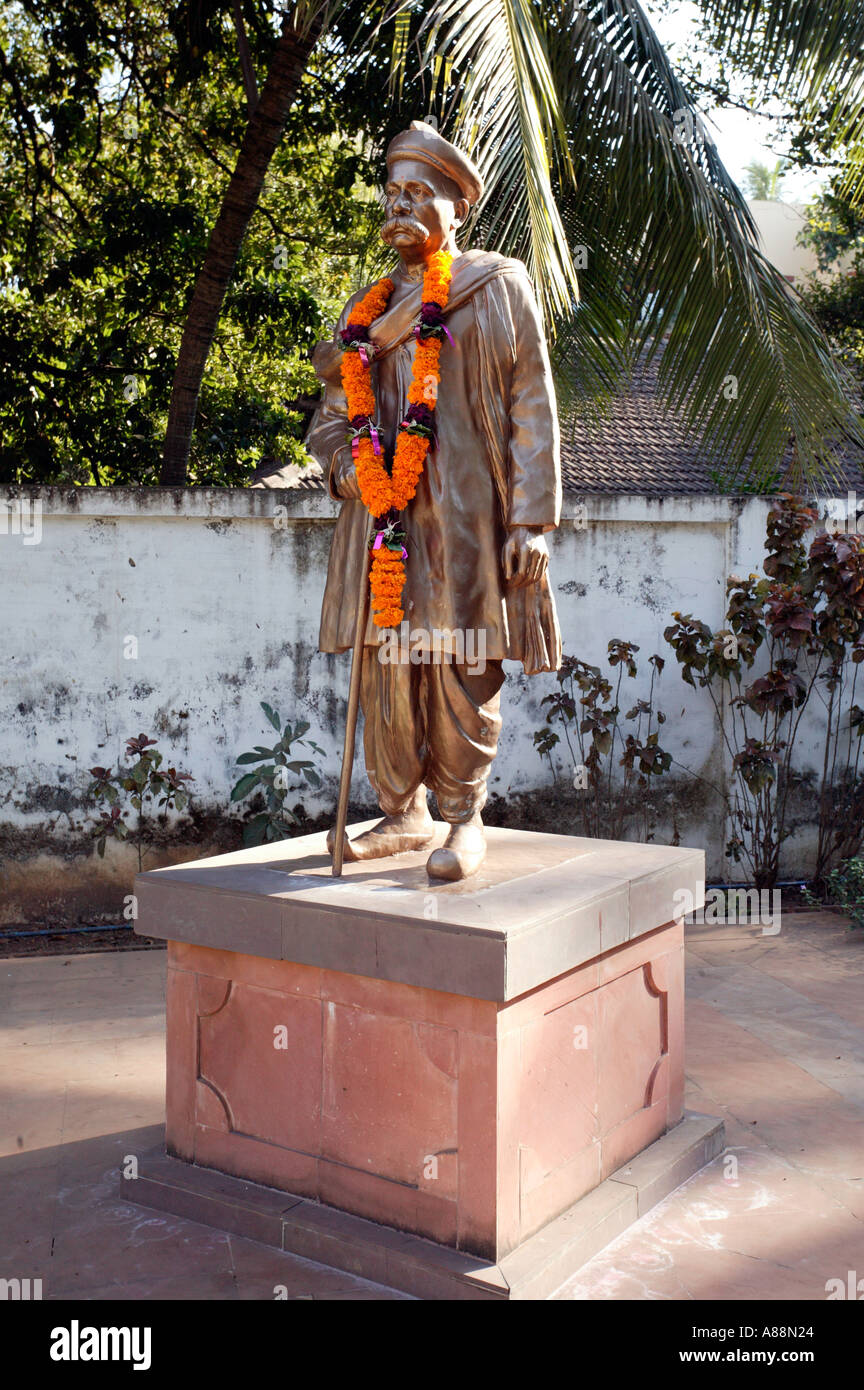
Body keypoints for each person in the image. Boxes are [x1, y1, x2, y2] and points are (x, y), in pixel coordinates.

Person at [306, 120, 562, 880]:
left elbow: (533, 405)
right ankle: (401, 813)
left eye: (421, 192)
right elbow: (327, 423)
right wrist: (344, 470)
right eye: (393, 192)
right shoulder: (364, 311)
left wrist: (532, 518)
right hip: (382, 522)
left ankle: (463, 820)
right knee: (388, 669)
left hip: (464, 518)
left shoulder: (496, 285)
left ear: (459, 208)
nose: (401, 205)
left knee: (459, 664)